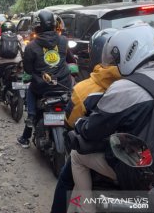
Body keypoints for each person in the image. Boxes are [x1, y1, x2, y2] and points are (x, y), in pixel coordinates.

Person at [70, 22, 154, 213]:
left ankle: (86, 209)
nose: (116, 62)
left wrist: (80, 124)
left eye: (117, 56)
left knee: (77, 156)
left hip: (145, 174)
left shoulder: (123, 88)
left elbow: (93, 130)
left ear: (128, 53)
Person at [50, 28, 121, 213]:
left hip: (104, 156)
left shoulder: (85, 89)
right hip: (134, 157)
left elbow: (70, 121)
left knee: (67, 176)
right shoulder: (135, 83)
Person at [17, 9, 72, 148]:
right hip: (63, 84)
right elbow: (69, 59)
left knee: (30, 90)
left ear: (36, 26)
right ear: (54, 24)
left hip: (42, 87)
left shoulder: (31, 46)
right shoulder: (63, 41)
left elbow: (28, 70)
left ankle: (29, 122)